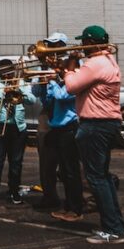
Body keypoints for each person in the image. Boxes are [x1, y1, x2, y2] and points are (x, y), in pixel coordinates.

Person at [63, 24, 124, 244]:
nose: (81, 46)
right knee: (103, 177)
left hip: (95, 124)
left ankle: (112, 229)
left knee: (96, 178)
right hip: (107, 123)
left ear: (90, 43)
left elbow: (70, 86)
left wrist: (70, 64)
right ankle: (116, 225)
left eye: (83, 43)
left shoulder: (95, 63)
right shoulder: (109, 61)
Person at [33, 35, 86, 221]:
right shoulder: (47, 67)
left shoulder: (74, 67)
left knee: (71, 168)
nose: (52, 49)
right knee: (53, 163)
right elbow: (40, 95)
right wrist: (44, 81)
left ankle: (77, 204)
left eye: (56, 46)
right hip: (53, 117)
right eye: (49, 46)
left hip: (68, 122)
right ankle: (56, 198)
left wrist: (55, 78)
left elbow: (66, 94)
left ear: (63, 46)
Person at [0, 82, 33, 205]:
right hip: (0, 126)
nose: (8, 77)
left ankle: (14, 192)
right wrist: (2, 92)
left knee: (16, 162)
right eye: (5, 73)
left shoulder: (21, 83)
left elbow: (32, 100)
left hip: (18, 128)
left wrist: (20, 90)